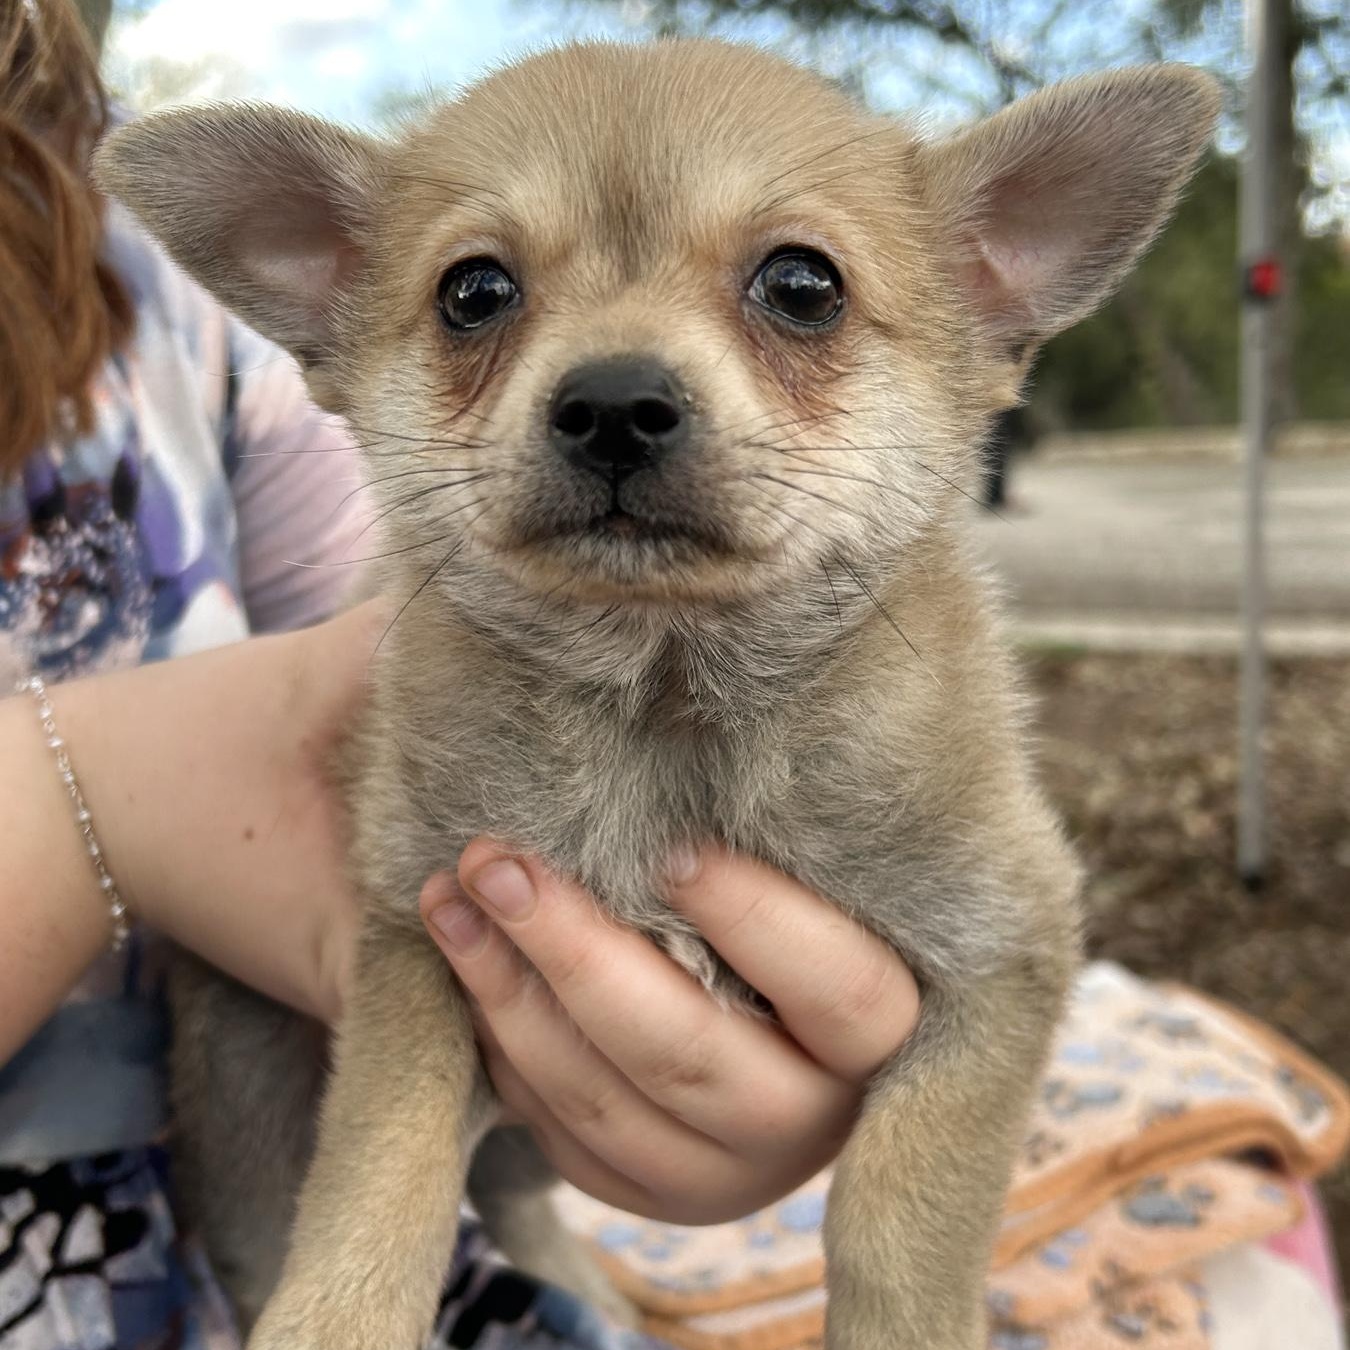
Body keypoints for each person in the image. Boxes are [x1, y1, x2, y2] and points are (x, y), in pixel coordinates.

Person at [0, 3, 920, 1346]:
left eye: (789, 288)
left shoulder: (137, 261)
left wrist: (668, 1080)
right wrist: (100, 790)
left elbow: (330, 688)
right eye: (480, 296)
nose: (615, 383)